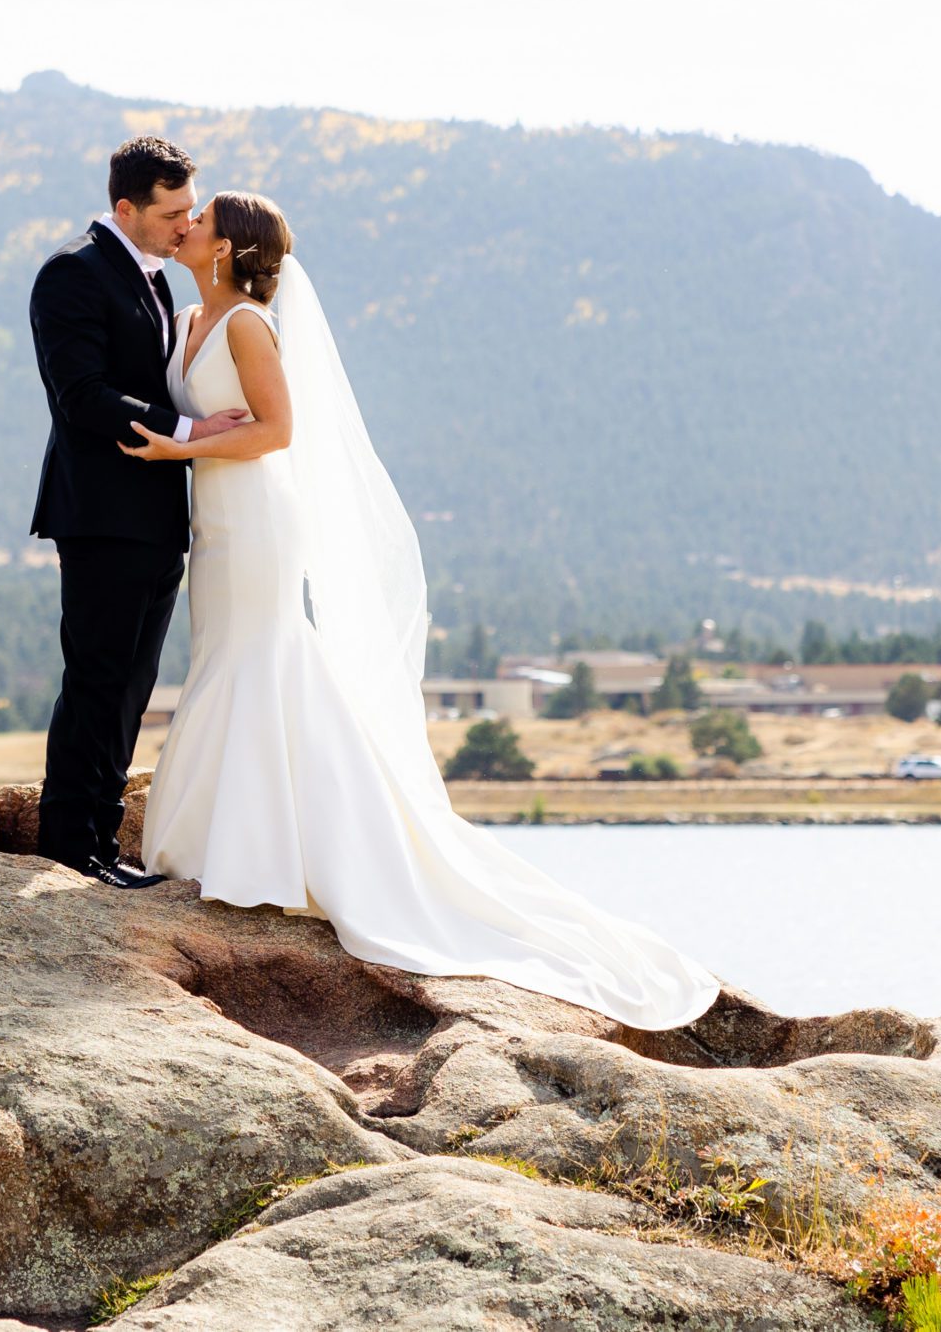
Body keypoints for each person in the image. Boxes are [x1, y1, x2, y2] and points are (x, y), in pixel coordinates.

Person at [115, 190, 718, 1029]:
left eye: (201, 221)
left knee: (262, 657)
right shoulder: (187, 319)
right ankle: (234, 840)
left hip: (257, 513)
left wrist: (184, 445)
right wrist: (182, 435)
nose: (185, 228)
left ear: (226, 248)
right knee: (223, 658)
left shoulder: (251, 325)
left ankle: (269, 855)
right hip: (213, 519)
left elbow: (277, 430)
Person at [25, 137, 248, 886]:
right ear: (126, 208)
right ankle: (70, 846)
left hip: (156, 518)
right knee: (97, 679)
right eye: (173, 211)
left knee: (130, 685)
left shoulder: (153, 277)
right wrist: (190, 431)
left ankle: (98, 839)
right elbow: (80, 395)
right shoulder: (72, 273)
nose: (187, 223)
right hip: (101, 515)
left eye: (192, 208)